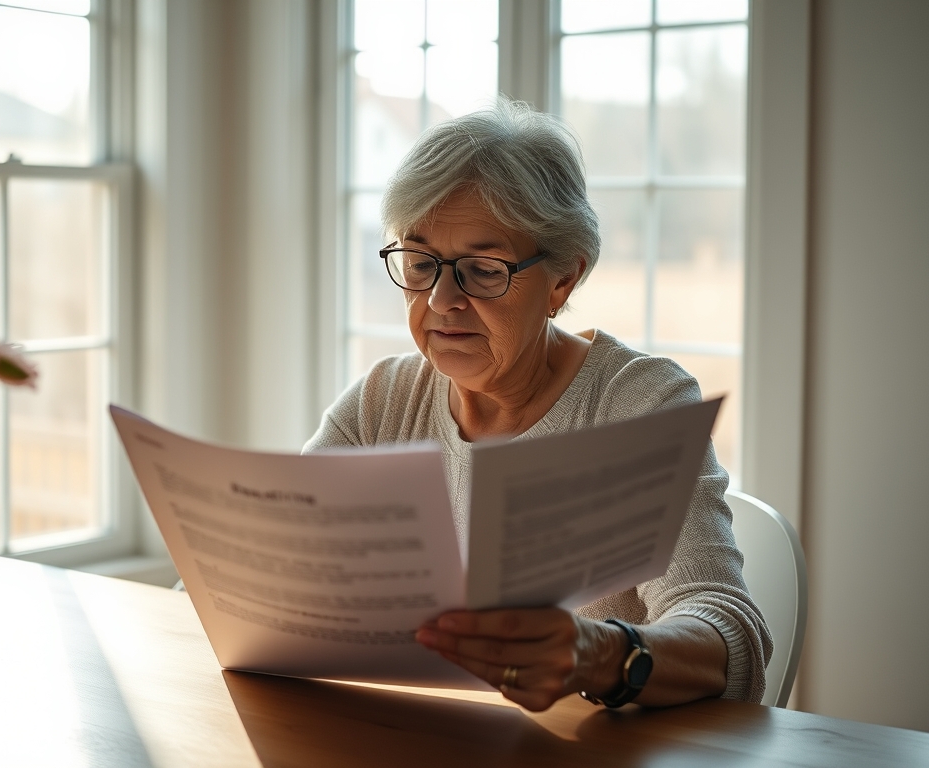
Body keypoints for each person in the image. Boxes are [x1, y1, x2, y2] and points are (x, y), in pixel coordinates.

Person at [303, 99, 771, 711]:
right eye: (421, 263)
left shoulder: (637, 403)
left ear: (562, 280)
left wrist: (597, 653)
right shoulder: (381, 403)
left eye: (483, 269)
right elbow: (287, 564)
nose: (443, 298)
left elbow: (731, 635)